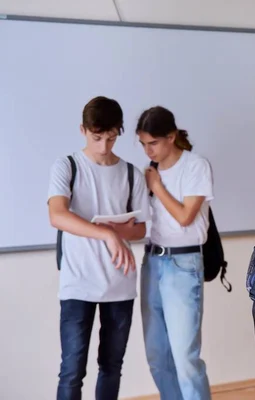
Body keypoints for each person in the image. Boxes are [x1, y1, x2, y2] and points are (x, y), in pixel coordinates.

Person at [48, 96, 151, 400]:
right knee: (71, 370)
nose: (104, 146)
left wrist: (116, 231)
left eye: (111, 137)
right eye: (97, 138)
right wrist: (106, 235)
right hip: (77, 284)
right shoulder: (67, 165)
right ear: (83, 130)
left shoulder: (132, 173)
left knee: (111, 366)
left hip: (120, 284)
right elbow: (57, 214)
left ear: (118, 131)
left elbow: (142, 228)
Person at [136, 106, 214, 400]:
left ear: (171, 136)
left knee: (185, 358)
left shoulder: (196, 166)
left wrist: (157, 186)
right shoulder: (149, 171)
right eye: (143, 144)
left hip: (183, 264)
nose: (148, 150)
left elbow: (185, 217)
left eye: (152, 143)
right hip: (152, 261)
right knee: (157, 355)